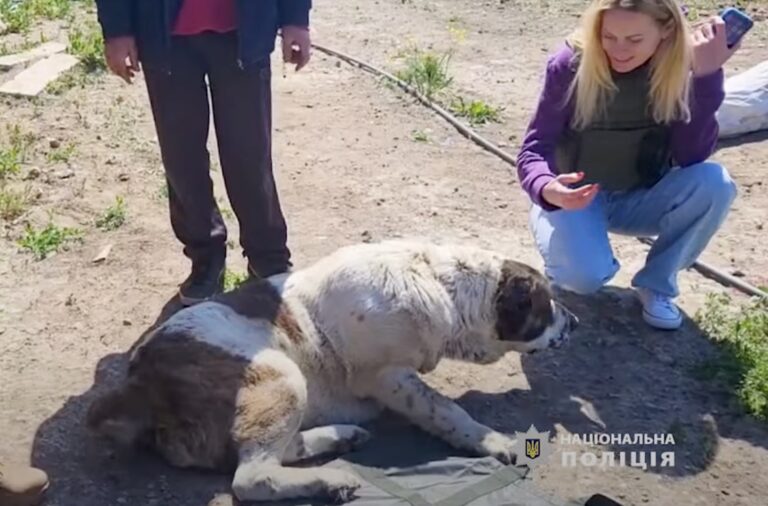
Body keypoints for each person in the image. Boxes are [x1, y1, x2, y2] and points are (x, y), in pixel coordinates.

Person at [516, 0, 740, 330]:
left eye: (634, 40)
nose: (619, 50)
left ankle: (657, 286)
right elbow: (534, 149)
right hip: (575, 197)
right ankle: (563, 248)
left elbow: (692, 156)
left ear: (666, 30)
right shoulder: (570, 64)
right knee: (584, 278)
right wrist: (547, 188)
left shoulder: (681, 67)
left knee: (715, 184)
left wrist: (706, 78)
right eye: (608, 36)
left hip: (643, 195)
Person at [94, 0, 312, 305]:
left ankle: (268, 256)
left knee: (250, 154)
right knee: (182, 157)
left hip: (244, 32)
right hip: (164, 35)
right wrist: (117, 30)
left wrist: (295, 19)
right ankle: (206, 256)